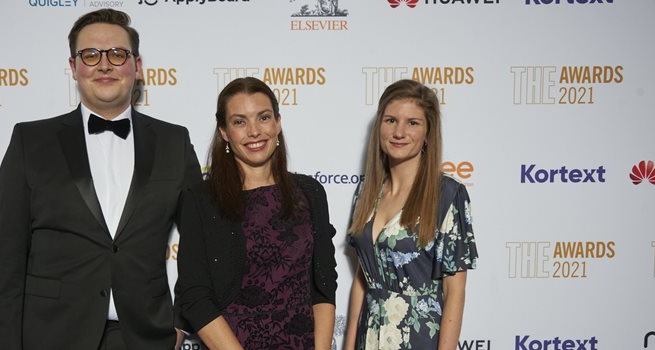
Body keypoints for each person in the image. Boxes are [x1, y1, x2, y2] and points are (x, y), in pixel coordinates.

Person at [0, 9, 201, 350]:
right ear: (73, 67)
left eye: (118, 54)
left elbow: (202, 242)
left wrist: (181, 320)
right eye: (90, 55)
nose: (105, 65)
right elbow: (6, 265)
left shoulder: (174, 143)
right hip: (51, 336)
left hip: (145, 338)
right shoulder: (31, 142)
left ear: (138, 66)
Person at [174, 77, 338, 349]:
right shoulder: (201, 200)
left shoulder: (310, 192)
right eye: (240, 122)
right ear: (224, 132)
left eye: (263, 117)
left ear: (278, 122)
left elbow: (323, 284)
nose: (254, 131)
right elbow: (195, 296)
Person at [344, 79, 478, 350]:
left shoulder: (447, 195)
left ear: (428, 133)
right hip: (368, 338)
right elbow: (363, 279)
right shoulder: (367, 192)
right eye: (391, 120)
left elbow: (454, 292)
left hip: (418, 338)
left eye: (413, 123)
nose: (399, 132)